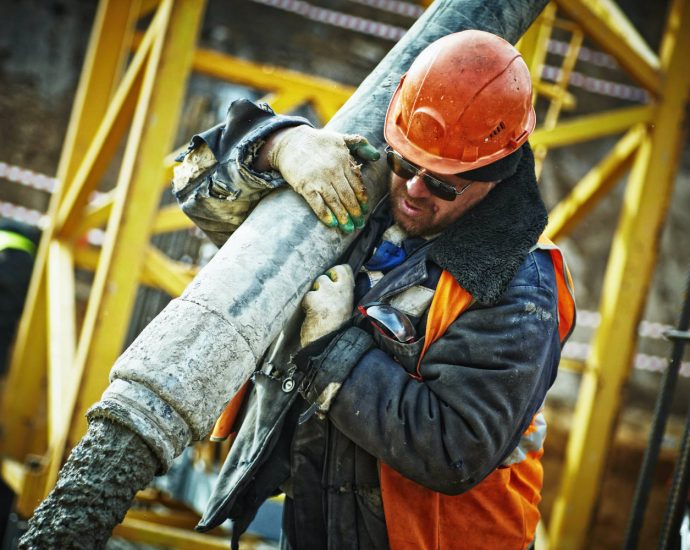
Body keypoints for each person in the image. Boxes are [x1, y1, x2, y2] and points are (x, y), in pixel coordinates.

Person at [171, 30, 576, 550]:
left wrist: (333, 346)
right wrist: (276, 147)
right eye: (406, 164)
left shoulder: (522, 287)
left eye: (442, 184)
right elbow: (194, 186)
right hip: (320, 521)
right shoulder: (367, 186)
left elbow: (454, 447)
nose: (411, 190)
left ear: (494, 177)